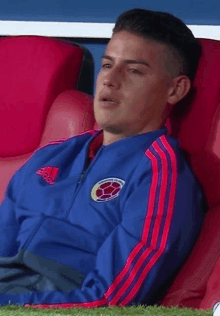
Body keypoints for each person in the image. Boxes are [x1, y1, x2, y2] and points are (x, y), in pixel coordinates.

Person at [0, 8, 205, 308]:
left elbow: (110, 300)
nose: (110, 80)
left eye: (134, 70)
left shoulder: (161, 175)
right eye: (107, 65)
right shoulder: (51, 156)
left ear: (175, 89)